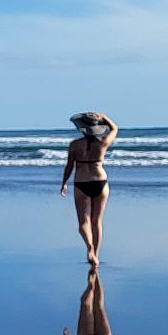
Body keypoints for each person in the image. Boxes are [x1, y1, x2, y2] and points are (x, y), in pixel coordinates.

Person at [59, 110, 118, 268]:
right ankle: (96, 254)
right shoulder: (103, 143)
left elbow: (69, 166)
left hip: (81, 182)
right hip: (101, 181)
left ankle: (89, 248)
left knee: (83, 222)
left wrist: (64, 182)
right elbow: (115, 128)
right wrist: (103, 116)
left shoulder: (75, 145)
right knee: (97, 221)